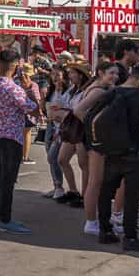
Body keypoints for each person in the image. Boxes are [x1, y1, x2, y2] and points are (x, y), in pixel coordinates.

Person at [95, 64, 139, 252]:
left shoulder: (111, 93)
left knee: (106, 192)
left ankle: (105, 231)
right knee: (131, 196)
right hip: (134, 153)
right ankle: (130, 237)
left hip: (111, 152)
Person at [0, 49, 37, 234]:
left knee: (1, 178)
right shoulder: (12, 88)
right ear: (15, 67)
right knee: (8, 179)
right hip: (11, 137)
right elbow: (34, 109)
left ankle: (0, 216)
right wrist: (29, 89)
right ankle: (4, 219)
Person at [73, 61, 121, 235]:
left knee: (97, 182)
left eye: (116, 74)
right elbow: (78, 110)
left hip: (93, 140)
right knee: (95, 182)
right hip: (96, 142)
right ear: (101, 73)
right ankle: (91, 222)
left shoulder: (98, 87)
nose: (115, 77)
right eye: (111, 73)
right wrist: (97, 127)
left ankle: (96, 220)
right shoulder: (99, 90)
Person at [53, 62, 90, 207]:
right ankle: (74, 191)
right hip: (70, 128)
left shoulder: (86, 90)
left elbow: (80, 109)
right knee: (62, 159)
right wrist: (57, 91)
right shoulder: (72, 90)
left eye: (72, 73)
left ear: (80, 75)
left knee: (83, 164)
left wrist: (65, 111)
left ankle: (86, 195)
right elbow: (61, 104)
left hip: (80, 128)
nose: (70, 76)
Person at [42, 66, 67, 199]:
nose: (55, 78)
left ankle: (59, 187)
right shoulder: (50, 90)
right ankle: (56, 185)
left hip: (62, 127)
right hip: (51, 125)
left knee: (54, 157)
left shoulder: (68, 91)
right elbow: (46, 107)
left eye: (58, 75)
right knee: (51, 157)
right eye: (53, 75)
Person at [18, 63, 44, 164]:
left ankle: (21, 156)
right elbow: (37, 101)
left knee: (20, 134)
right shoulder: (33, 85)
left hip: (18, 112)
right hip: (29, 112)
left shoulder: (15, 82)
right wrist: (40, 113)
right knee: (26, 134)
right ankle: (24, 156)